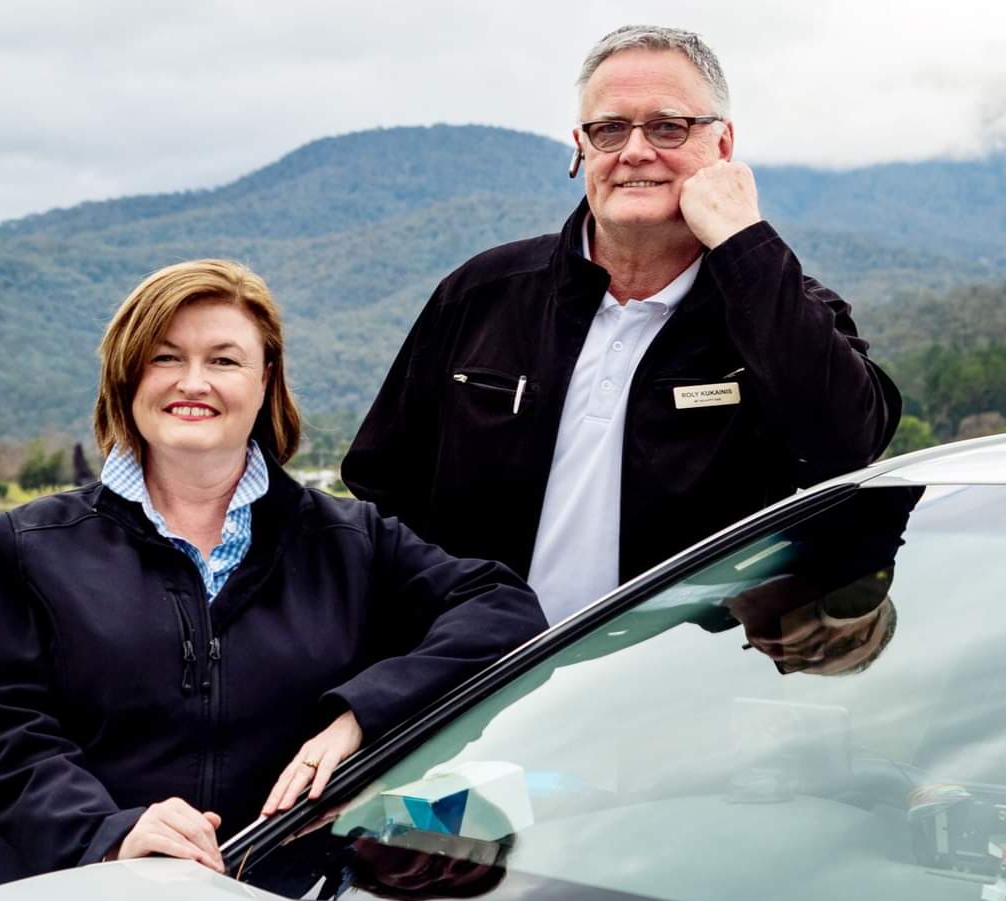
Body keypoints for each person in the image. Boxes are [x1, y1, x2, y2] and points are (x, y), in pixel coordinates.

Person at [0, 259, 546, 888]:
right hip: (80, 899)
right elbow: (7, 740)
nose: (193, 382)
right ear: (127, 377)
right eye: (165, 358)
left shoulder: (351, 540)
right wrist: (109, 831)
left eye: (224, 360)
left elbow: (504, 610)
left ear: (266, 380)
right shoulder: (26, 545)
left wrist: (364, 717)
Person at [342, 25, 902, 625]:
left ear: (723, 144)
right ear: (581, 148)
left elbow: (846, 445)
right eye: (609, 129)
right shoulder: (482, 295)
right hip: (468, 684)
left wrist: (744, 242)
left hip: (659, 696)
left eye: (668, 126)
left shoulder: (784, 312)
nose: (635, 151)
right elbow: (379, 490)